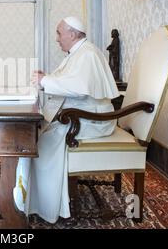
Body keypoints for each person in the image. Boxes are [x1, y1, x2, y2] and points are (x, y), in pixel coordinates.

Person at [13, 16, 119, 223]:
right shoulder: (79, 52)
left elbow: (79, 88)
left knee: (39, 143)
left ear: (72, 33)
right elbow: (71, 81)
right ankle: (31, 197)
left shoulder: (87, 54)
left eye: (59, 33)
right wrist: (48, 78)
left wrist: (46, 81)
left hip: (92, 120)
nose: (57, 38)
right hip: (82, 114)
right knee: (35, 136)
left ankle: (44, 204)